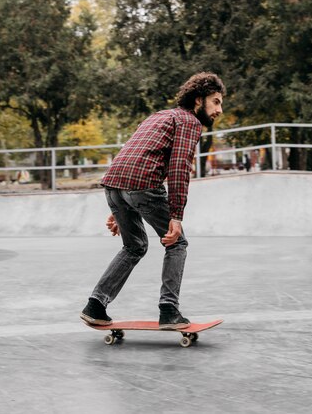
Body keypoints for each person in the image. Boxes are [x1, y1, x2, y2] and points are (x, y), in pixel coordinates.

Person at [80, 72, 225, 330]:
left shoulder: (158, 116)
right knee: (177, 243)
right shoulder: (190, 122)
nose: (219, 110)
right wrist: (176, 216)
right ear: (198, 100)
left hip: (115, 183)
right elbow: (180, 167)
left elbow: (132, 152)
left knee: (134, 245)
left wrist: (119, 206)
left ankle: (95, 306)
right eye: (215, 102)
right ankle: (169, 310)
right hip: (142, 186)